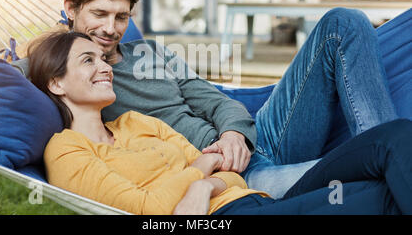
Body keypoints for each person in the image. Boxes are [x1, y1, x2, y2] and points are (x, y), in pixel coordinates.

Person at [59, 0, 399, 198]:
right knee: (367, 185)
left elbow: (218, 102)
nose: (110, 28)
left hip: (259, 135)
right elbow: (13, 78)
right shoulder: (65, 70)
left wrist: (235, 134)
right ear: (71, 9)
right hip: (231, 175)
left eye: (121, 17)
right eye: (99, 13)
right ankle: (379, 161)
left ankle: (375, 147)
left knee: (343, 22)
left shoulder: (151, 53)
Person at [28, 31, 411, 215]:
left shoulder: (135, 121)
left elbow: (231, 176)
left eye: (103, 59)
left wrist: (206, 180)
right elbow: (150, 212)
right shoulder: (66, 148)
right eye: (88, 61)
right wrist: (202, 167)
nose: (105, 68)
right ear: (56, 82)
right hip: (223, 217)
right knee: (383, 194)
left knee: (395, 139)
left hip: (249, 197)